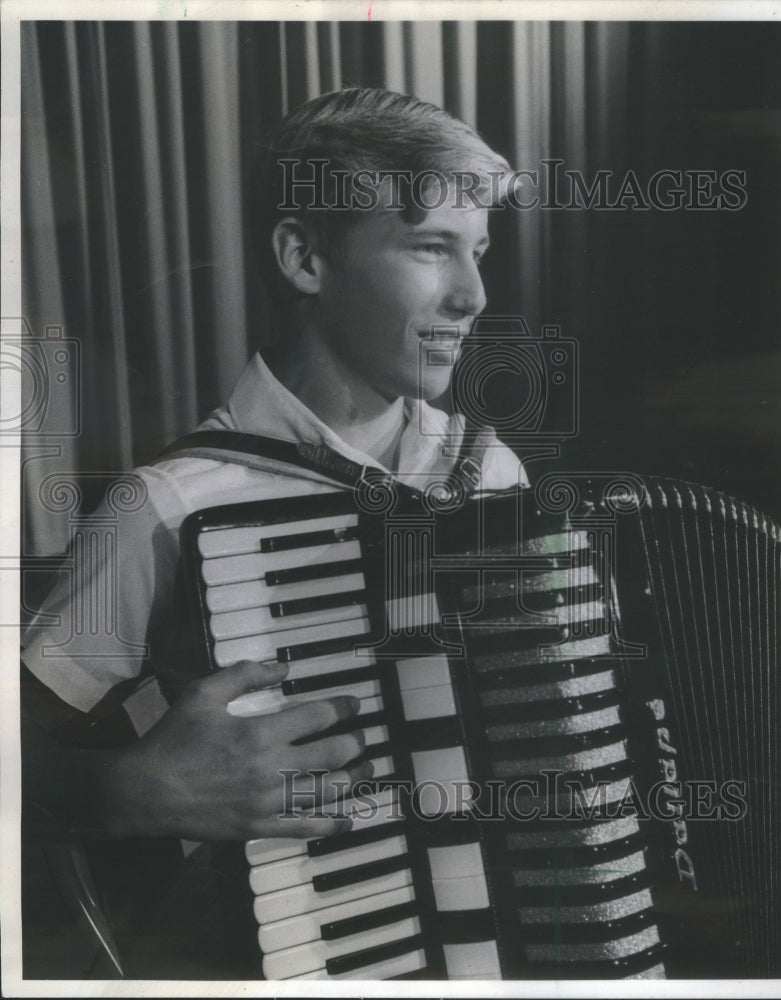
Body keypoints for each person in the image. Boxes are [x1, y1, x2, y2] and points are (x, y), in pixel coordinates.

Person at [20, 88, 524, 976]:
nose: (473, 294)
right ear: (303, 257)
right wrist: (129, 792)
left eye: (477, 251)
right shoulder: (170, 506)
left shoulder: (494, 474)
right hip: (309, 953)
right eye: (429, 248)